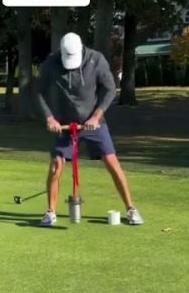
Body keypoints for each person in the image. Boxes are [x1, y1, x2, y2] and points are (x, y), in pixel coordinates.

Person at [35, 32, 143, 227]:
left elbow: (109, 89)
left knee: (112, 162)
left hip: (94, 123)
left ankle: (131, 209)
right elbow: (38, 92)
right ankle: (50, 213)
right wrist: (49, 118)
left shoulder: (96, 59)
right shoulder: (51, 63)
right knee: (56, 166)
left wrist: (96, 116)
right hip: (64, 125)